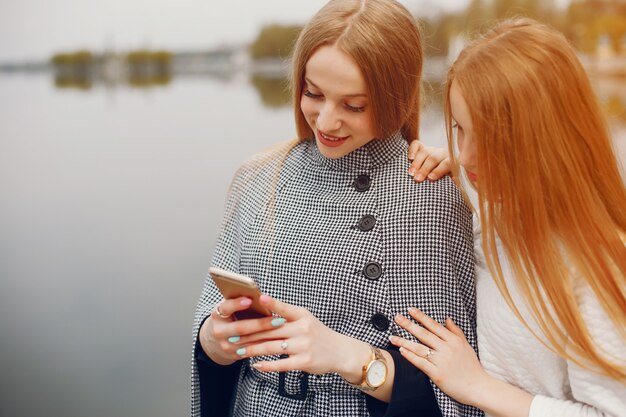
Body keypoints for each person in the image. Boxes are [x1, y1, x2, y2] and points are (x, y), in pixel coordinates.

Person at [191, 1, 481, 416]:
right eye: (314, 93)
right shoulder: (256, 178)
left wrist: (351, 358)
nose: (326, 122)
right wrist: (214, 342)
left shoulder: (429, 194)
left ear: (396, 98)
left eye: (354, 106)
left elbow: (456, 389)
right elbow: (209, 317)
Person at [394, 18, 626, 417]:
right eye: (459, 129)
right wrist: (462, 169)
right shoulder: (498, 213)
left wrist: (479, 387)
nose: (464, 153)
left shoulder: (594, 263)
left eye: (491, 137)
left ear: (544, 138)